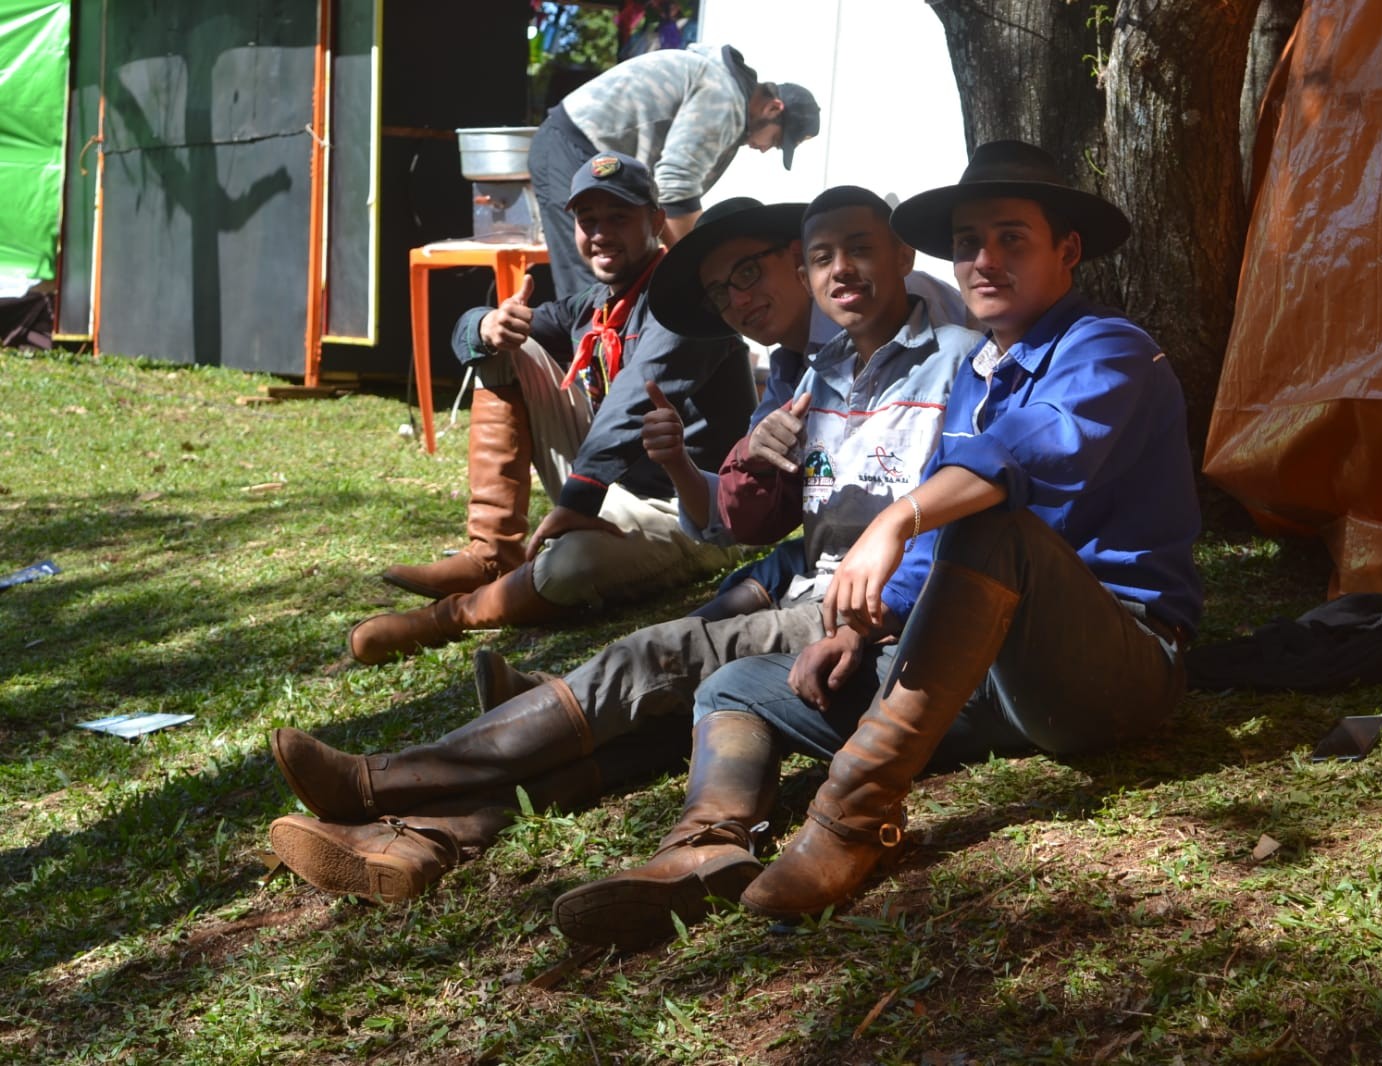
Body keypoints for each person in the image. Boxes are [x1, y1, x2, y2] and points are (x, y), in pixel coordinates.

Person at [550, 140, 1204, 949]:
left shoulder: (1108, 347)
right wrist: (866, 623)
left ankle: (852, 821)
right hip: (996, 679)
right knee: (739, 684)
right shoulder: (981, 372)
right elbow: (940, 548)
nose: (984, 259)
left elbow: (1037, 455)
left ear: (1065, 250)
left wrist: (897, 520)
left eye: (1012, 238)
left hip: (1117, 669)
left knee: (994, 523)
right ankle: (705, 848)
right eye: (968, 242)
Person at [266, 186, 983, 904]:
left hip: (867, 607)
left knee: (658, 661)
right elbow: (756, 513)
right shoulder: (812, 372)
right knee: (667, 703)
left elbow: (958, 510)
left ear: (895, 256)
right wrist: (735, 461)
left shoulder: (948, 354)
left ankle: (384, 783)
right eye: (823, 257)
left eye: (748, 275)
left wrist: (864, 614)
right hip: (817, 586)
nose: (738, 301)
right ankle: (429, 836)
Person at [471, 195, 974, 710]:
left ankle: (548, 697)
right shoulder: (792, 368)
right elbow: (741, 511)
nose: (738, 300)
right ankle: (538, 675)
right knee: (723, 607)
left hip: (900, 576)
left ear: (796, 262)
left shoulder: (929, 330)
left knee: (713, 639)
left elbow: (963, 483)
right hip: (826, 557)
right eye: (719, 293)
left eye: (749, 273)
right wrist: (685, 463)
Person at [352, 153, 754, 666]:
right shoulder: (592, 305)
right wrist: (485, 326)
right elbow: (476, 336)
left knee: (569, 567)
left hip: (690, 508)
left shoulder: (687, 299)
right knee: (508, 346)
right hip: (611, 487)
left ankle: (447, 618)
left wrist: (579, 494)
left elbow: (636, 391)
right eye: (589, 221)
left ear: (655, 222)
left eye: (619, 218)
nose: (601, 233)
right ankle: (491, 553)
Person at [529, 43, 820, 299]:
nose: (767, 149)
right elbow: (676, 191)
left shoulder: (723, 92)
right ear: (773, 108)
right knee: (594, 282)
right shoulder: (725, 98)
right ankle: (584, 357)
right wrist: (703, 272)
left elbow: (667, 192)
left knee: (627, 276)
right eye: (777, 141)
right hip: (572, 147)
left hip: (596, 157)